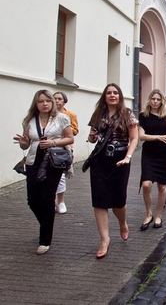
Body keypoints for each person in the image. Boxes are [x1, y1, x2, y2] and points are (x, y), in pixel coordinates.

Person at [13, 90, 74, 254]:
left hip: (53, 162)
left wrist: (53, 142)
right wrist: (24, 143)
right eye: (41, 101)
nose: (45, 104)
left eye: (48, 100)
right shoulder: (29, 120)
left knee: (47, 199)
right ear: (36, 103)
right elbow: (25, 145)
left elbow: (70, 138)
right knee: (32, 200)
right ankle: (46, 223)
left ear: (52, 103)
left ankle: (45, 240)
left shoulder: (61, 118)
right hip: (33, 161)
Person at [87, 83, 139, 259]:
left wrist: (128, 157)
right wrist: (92, 137)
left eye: (115, 92)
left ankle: (122, 223)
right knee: (99, 201)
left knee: (118, 201)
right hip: (100, 160)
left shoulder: (127, 114)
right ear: (105, 96)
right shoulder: (98, 114)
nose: (112, 95)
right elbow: (92, 137)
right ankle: (104, 239)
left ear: (120, 96)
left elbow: (134, 139)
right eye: (109, 93)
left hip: (120, 161)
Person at [138, 90, 166, 230]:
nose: (155, 102)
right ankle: (148, 214)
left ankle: (158, 216)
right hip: (149, 153)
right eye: (153, 99)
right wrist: (158, 137)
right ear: (149, 100)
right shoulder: (143, 116)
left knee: (162, 186)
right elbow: (141, 136)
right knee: (146, 184)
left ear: (162, 101)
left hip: (164, 154)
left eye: (158, 99)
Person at [53, 91, 78, 214]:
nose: (57, 101)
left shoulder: (70, 114)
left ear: (64, 101)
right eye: (55, 98)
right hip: (50, 146)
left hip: (65, 146)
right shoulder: (48, 114)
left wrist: (65, 129)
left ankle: (61, 201)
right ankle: (52, 202)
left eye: (59, 99)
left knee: (61, 175)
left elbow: (75, 130)